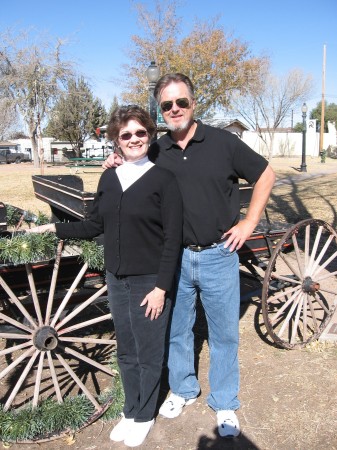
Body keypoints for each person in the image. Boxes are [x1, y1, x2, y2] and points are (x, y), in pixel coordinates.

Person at [103, 73, 276, 438]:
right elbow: (130, 163)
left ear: (193, 104)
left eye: (181, 102)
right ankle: (182, 389)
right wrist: (112, 163)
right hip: (173, 258)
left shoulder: (223, 143)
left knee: (224, 333)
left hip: (218, 254)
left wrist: (249, 222)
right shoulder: (155, 149)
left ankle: (225, 401)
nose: (175, 109)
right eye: (167, 105)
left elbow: (265, 174)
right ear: (161, 111)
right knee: (177, 330)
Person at [28, 105, 183, 448]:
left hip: (149, 281)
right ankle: (130, 410)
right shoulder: (109, 178)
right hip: (116, 278)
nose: (134, 139)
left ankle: (144, 415)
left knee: (148, 351)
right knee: (126, 349)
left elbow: (173, 239)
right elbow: (95, 224)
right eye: (126, 134)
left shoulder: (163, 180)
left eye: (140, 133)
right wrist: (53, 227)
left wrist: (160, 287)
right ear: (117, 139)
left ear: (149, 136)